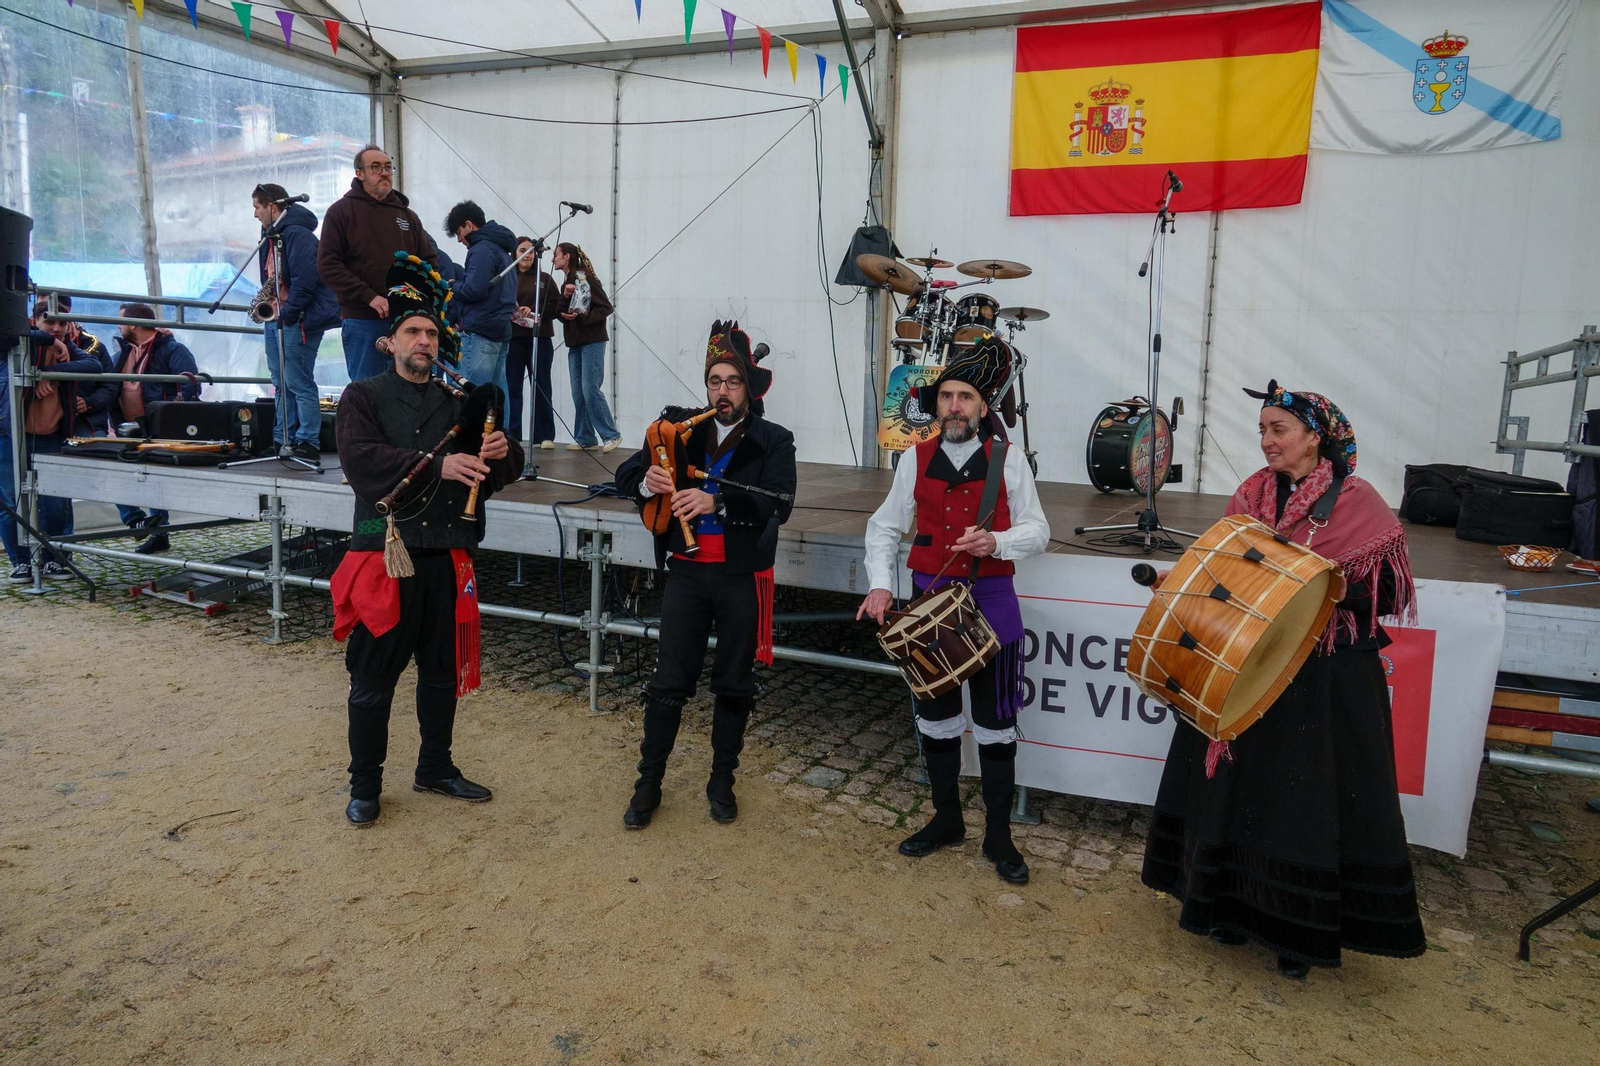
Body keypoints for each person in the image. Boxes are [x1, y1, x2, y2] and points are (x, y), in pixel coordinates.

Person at [1140, 381, 1426, 980]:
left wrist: (1325, 590)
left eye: (1279, 430)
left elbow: (1392, 593)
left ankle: (1295, 935)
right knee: (1234, 792)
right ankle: (1223, 906)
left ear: (1314, 438)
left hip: (1323, 674)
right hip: (1244, 664)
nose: (1267, 440)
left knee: (1298, 805)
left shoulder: (1358, 501)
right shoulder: (1250, 494)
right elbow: (1225, 572)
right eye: (1263, 429)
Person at [330, 252, 524, 828]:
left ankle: (434, 768)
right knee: (372, 681)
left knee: (440, 673)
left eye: (432, 332)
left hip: (446, 555)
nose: (423, 340)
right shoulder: (361, 397)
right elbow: (360, 460)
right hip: (385, 555)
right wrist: (434, 465)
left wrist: (501, 455)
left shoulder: (457, 405)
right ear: (389, 342)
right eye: (412, 331)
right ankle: (365, 784)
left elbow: (496, 473)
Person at [857, 337, 1050, 885]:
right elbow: (884, 528)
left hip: (992, 601)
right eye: (946, 396)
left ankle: (998, 834)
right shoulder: (913, 460)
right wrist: (879, 587)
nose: (955, 406)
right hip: (930, 604)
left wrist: (999, 544)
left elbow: (1039, 530)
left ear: (984, 407)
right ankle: (946, 821)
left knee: (995, 723)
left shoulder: (1009, 461)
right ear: (935, 404)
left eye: (965, 396)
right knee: (937, 720)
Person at [613, 321, 795, 828]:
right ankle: (648, 783)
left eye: (732, 382)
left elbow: (781, 501)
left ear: (749, 390)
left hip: (740, 577)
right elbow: (626, 475)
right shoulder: (678, 428)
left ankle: (722, 780)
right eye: (715, 381)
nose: (721, 391)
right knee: (668, 679)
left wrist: (718, 499)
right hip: (688, 575)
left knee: (734, 683)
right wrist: (648, 483)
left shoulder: (773, 439)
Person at [317, 145, 439, 383]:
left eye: (387, 167)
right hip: (364, 321)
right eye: (375, 167)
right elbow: (328, 264)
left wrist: (416, 300)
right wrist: (369, 296)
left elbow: (429, 263)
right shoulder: (341, 212)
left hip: (407, 321)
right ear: (359, 173)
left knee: (412, 390)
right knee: (368, 393)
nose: (384, 173)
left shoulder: (407, 216)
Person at [1, 322, 102, 582]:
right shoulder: (15, 343)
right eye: (50, 322)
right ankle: (20, 562)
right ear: (35, 322)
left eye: (62, 323)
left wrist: (46, 373)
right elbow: (9, 331)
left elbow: (93, 366)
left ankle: (54, 559)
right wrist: (47, 342)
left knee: (55, 503)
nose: (57, 328)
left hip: (49, 436)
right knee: (11, 502)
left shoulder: (68, 347)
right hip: (8, 435)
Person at [252, 182, 340, 462]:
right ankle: (282, 439)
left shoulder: (298, 235)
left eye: (257, 207)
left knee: (298, 381)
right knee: (280, 381)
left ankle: (308, 441)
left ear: (273, 206)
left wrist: (288, 313)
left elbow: (306, 280)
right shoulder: (271, 237)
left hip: (295, 319)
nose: (255, 214)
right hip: (277, 317)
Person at [112, 304, 202, 555]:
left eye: (121, 322)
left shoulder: (172, 349)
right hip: (126, 427)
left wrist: (171, 416)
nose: (118, 327)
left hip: (157, 427)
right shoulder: (123, 352)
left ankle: (159, 533)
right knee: (115, 471)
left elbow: (190, 384)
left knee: (155, 480)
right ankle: (137, 520)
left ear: (133, 324)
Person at [443, 200, 517, 424]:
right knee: (496, 398)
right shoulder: (502, 249)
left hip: (480, 331)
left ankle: (469, 451)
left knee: (471, 396)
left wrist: (453, 285)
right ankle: (502, 449)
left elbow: (474, 289)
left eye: (458, 233)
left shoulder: (481, 249)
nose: (459, 239)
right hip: (500, 330)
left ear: (468, 225)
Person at [552, 241, 620, 453]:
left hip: (591, 341)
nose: (553, 259)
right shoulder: (567, 283)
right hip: (576, 342)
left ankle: (611, 434)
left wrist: (583, 317)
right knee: (578, 392)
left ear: (567, 257)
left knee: (590, 389)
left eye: (556, 255)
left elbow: (606, 307)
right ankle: (585, 437)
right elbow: (560, 314)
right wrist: (565, 299)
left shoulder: (584, 277)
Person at [35, 295, 117, 438]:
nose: (56, 327)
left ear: (67, 311)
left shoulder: (92, 346)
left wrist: (88, 402)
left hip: (84, 420)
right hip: (46, 424)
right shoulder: (30, 342)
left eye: (61, 322)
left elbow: (111, 384)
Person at [508, 237, 560, 455]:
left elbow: (556, 307)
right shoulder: (508, 278)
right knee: (512, 387)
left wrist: (535, 311)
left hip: (540, 339)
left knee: (541, 385)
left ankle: (545, 435)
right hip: (512, 339)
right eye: (522, 250)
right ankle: (513, 434)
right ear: (514, 253)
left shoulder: (545, 278)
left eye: (530, 251)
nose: (527, 255)